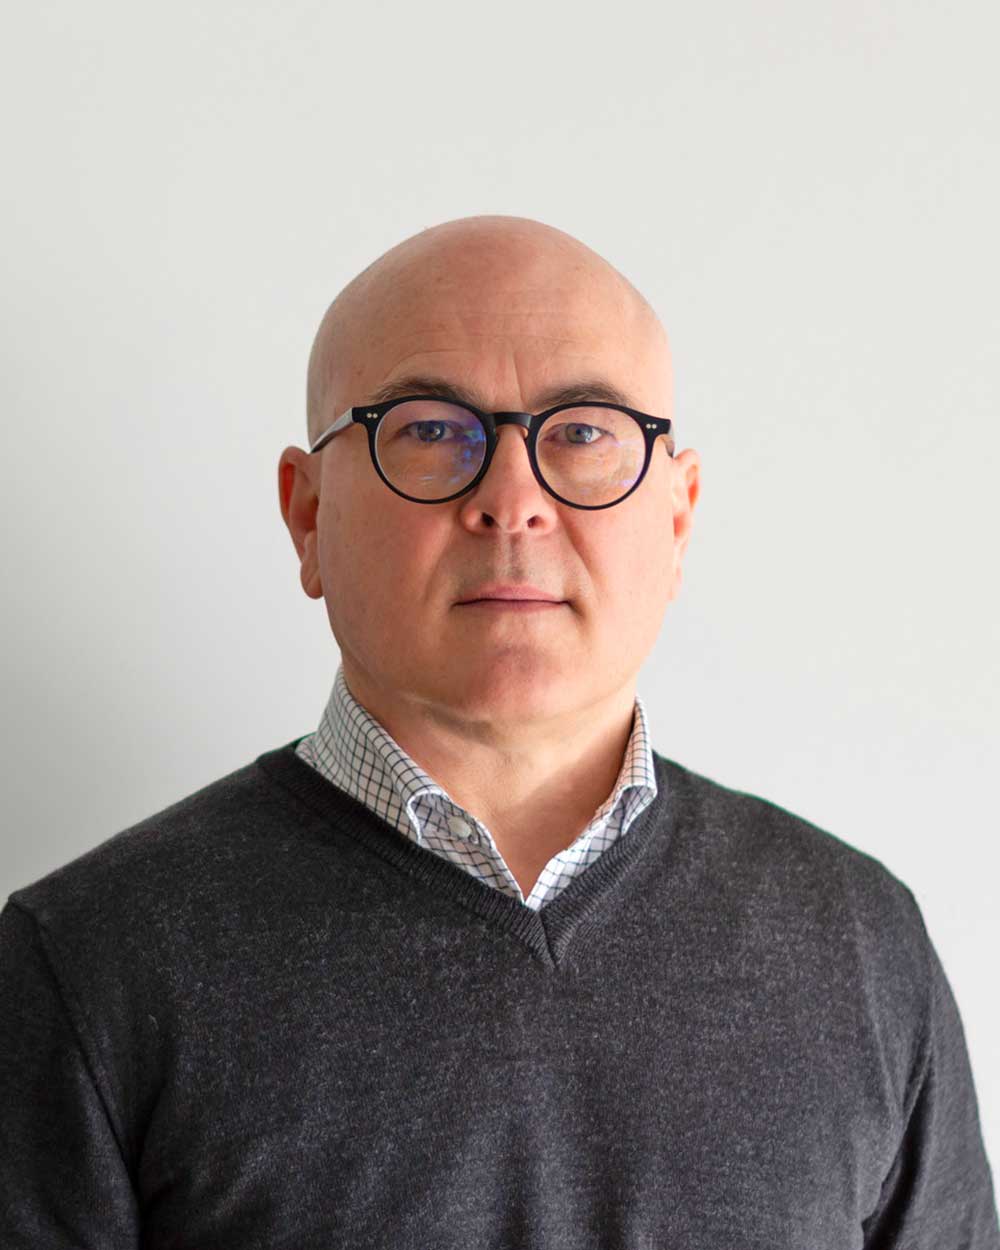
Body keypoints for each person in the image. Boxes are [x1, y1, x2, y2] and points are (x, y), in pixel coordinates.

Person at [0, 214, 996, 1248]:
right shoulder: (85, 964)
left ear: (677, 516)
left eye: (583, 432)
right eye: (431, 430)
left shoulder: (857, 944)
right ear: (308, 515)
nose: (513, 501)